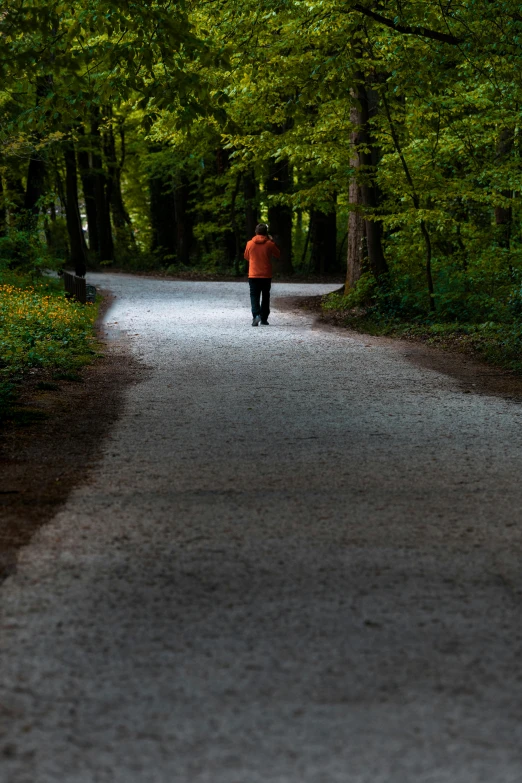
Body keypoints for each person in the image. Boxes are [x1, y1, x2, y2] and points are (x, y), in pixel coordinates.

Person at [244, 223, 280, 326]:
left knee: (254, 295)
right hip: (266, 275)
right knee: (265, 296)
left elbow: (246, 257)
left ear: (256, 232)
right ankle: (264, 319)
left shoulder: (249, 243)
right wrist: (271, 241)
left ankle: (256, 316)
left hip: (253, 274)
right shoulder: (269, 244)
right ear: (266, 233)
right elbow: (278, 254)